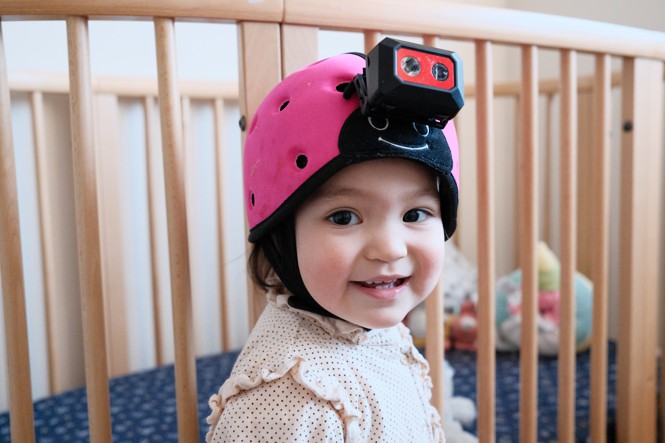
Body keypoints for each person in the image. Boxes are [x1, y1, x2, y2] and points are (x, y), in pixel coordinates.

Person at [206, 45, 462, 442]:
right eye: (344, 217)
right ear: (280, 236)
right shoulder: (292, 402)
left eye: (415, 214)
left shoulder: (370, 325)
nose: (391, 248)